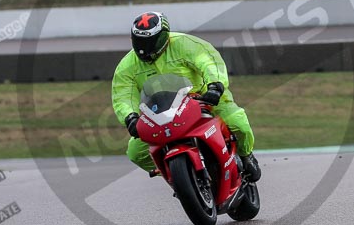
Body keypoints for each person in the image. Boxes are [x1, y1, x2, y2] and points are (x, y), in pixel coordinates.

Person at [111, 11, 261, 182]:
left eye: (152, 41)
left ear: (164, 36)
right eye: (140, 41)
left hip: (203, 100)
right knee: (135, 152)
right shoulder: (126, 66)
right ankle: (179, 178)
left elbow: (209, 62)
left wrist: (215, 86)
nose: (145, 47)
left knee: (238, 123)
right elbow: (122, 95)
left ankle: (246, 156)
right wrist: (130, 117)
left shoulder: (186, 44)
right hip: (160, 114)